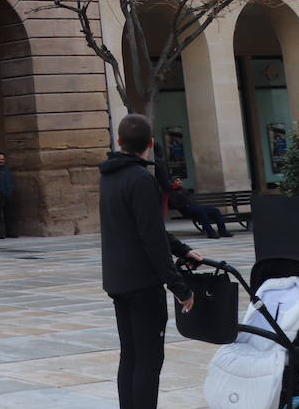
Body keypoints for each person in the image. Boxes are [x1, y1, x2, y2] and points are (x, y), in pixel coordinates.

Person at [101, 114, 203, 409]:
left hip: (118, 280)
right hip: (143, 283)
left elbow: (144, 228)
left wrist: (182, 249)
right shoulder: (140, 179)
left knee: (130, 356)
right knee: (148, 361)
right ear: (151, 144)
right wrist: (179, 286)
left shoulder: (108, 176)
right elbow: (152, 238)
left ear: (119, 141)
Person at [167, 177, 232, 239]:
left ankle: (222, 231)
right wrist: (186, 205)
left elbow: (191, 199)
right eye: (177, 180)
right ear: (173, 183)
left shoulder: (184, 190)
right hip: (186, 209)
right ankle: (211, 233)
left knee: (215, 210)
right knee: (201, 212)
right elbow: (173, 205)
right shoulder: (172, 192)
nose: (179, 182)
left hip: (196, 207)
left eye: (180, 180)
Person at [0, 152, 17, 239]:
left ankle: (10, 232)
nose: (1, 161)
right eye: (0, 159)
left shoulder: (7, 170)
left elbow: (12, 181)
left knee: (9, 214)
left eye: (3, 159)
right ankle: (0, 233)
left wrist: (11, 190)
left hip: (8, 194)